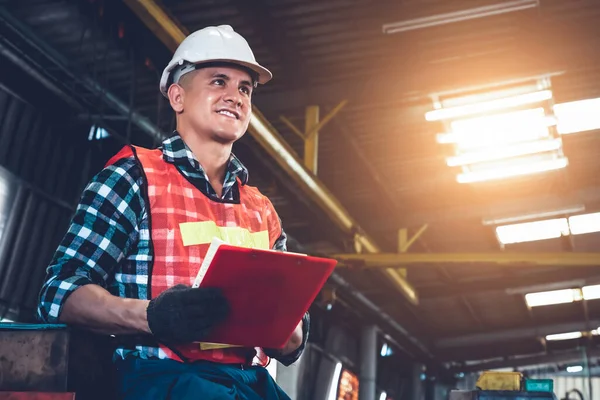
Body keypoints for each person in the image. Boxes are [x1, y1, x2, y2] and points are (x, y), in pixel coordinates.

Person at [36, 25, 309, 400]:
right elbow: (59, 293)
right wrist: (152, 316)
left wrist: (289, 330)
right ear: (177, 97)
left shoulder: (260, 210)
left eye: (245, 88)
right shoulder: (132, 178)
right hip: (157, 378)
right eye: (218, 82)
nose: (236, 96)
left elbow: (289, 337)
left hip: (246, 382)